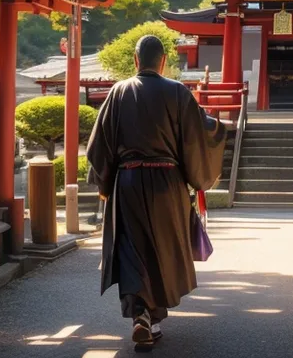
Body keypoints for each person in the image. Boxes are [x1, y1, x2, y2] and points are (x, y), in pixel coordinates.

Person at [86, 35, 227, 350]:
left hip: (128, 181)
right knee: (161, 252)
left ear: (136, 60)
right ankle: (153, 317)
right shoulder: (178, 92)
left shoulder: (117, 93)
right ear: (163, 61)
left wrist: (106, 185)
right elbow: (198, 136)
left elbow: (100, 148)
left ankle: (141, 314)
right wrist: (220, 129)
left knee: (132, 250)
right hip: (167, 184)